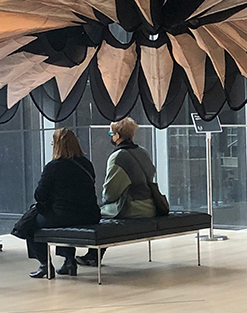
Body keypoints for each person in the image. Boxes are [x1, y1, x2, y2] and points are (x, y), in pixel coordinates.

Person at [76, 117, 158, 267]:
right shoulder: (143, 152)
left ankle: (92, 255)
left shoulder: (118, 157)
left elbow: (110, 192)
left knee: (97, 214)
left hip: (134, 207)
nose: (110, 136)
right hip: (152, 205)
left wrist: (103, 201)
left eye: (110, 133)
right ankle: (93, 256)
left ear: (118, 135)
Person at [21, 128, 101, 278]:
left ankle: (44, 263)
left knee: (29, 223)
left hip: (64, 215)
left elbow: (39, 195)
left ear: (57, 145)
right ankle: (69, 261)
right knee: (58, 217)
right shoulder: (86, 163)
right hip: (90, 215)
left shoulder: (53, 166)